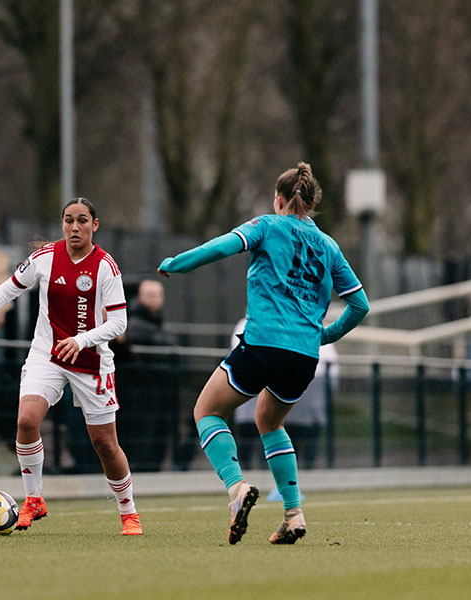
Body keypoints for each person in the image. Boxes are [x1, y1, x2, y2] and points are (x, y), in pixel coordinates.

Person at [158, 162, 369, 545]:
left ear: (280, 199)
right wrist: (322, 336)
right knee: (270, 422)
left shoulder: (267, 226)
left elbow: (221, 246)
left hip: (263, 342)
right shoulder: (330, 246)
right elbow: (360, 305)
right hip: (304, 357)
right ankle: (293, 514)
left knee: (206, 411)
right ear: (313, 203)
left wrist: (177, 264)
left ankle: (236, 488)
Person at [0, 197, 143, 536]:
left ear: (94, 225)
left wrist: (82, 339)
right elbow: (6, 290)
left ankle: (128, 512)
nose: (74, 226)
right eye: (68, 220)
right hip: (48, 355)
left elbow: (119, 323)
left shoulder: (105, 267)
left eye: (82, 220)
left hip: (92, 362)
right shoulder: (45, 258)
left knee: (105, 444)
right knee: (26, 420)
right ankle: (34, 499)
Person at [231, 317, 338, 471]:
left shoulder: (304, 322)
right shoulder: (252, 322)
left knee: (278, 434)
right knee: (270, 434)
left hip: (294, 386)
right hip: (279, 383)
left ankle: (284, 483)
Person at [116, 278, 177, 472]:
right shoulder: (136, 325)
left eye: (158, 295)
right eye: (150, 295)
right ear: (140, 297)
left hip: (158, 390)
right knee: (141, 433)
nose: (154, 299)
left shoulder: (156, 324)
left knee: (157, 433)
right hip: (140, 391)